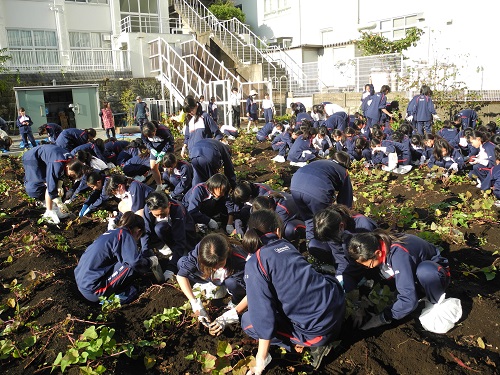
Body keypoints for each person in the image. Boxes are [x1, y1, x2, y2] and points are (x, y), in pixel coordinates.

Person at [241, 210, 345, 372]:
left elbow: (263, 317)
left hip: (321, 331)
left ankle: (313, 346)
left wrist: (260, 359)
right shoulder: (286, 245)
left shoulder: (256, 262)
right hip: (337, 304)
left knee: (248, 322)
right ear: (277, 231)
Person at [347, 230, 450, 330]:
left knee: (426, 273)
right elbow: (367, 275)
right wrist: (360, 303)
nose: (369, 267)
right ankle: (415, 289)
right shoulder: (375, 243)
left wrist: (382, 318)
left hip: (436, 273)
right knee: (378, 274)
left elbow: (409, 299)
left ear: (378, 253)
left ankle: (433, 299)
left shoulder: (399, 255)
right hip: (411, 272)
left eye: (369, 265)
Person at [74, 212, 161, 304]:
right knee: (130, 265)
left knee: (127, 260)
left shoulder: (112, 233)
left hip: (82, 283)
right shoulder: (125, 235)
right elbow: (134, 262)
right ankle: (118, 298)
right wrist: (150, 262)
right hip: (94, 290)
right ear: (138, 231)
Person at [177, 233, 248, 335]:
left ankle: (234, 299)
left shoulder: (240, 260)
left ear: (227, 253)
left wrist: (232, 314)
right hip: (213, 278)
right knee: (181, 262)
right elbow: (181, 275)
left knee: (232, 283)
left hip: (231, 280)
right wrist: (195, 303)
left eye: (219, 264)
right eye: (211, 266)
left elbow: (253, 292)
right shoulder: (202, 249)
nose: (215, 268)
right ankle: (212, 285)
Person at [311, 204, 378, 290]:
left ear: (341, 226)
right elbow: (339, 256)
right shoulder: (333, 230)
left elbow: (368, 256)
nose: (332, 241)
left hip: (369, 260)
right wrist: (340, 276)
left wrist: (353, 275)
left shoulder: (363, 226)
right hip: (352, 260)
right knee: (345, 287)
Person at [290, 151, 353, 241]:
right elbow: (346, 200)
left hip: (295, 186)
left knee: (309, 220)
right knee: (326, 223)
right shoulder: (343, 171)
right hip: (317, 190)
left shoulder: (320, 162)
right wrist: (346, 217)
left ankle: (311, 247)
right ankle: (328, 249)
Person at [139, 191, 197, 280]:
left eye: (162, 214)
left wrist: (171, 268)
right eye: (156, 215)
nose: (160, 217)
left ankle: (178, 254)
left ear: (169, 205)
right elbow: (146, 232)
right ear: (150, 210)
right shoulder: (147, 208)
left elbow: (180, 240)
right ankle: (167, 247)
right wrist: (146, 253)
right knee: (158, 228)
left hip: (185, 230)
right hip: (165, 228)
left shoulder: (177, 210)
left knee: (185, 255)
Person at [22, 144, 87, 224]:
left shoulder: (72, 160)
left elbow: (59, 173)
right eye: (72, 174)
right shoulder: (57, 163)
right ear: (67, 167)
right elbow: (51, 184)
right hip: (32, 159)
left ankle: (53, 207)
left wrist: (59, 184)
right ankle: (49, 211)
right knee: (41, 185)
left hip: (45, 158)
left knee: (54, 184)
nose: (71, 176)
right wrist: (58, 202)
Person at [141, 121, 175, 190]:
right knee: (153, 166)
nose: (151, 137)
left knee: (168, 166)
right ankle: (159, 185)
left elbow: (170, 142)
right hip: (155, 149)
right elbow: (146, 141)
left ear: (155, 130)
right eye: (149, 136)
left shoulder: (163, 130)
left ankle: (170, 183)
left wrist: (163, 152)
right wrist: (151, 149)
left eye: (152, 135)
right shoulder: (144, 132)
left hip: (166, 147)